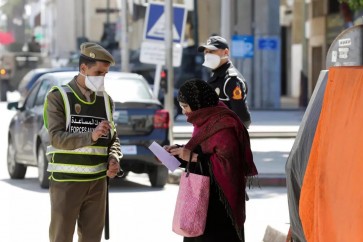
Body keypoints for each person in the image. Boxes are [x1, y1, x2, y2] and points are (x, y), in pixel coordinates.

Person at [44, 42, 123, 242]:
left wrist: (113, 157)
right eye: (98, 72)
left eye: (105, 74)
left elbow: (113, 138)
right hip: (66, 182)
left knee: (91, 239)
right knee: (61, 237)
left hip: (97, 183)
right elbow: (56, 138)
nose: (102, 78)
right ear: (83, 68)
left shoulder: (106, 100)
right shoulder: (58, 97)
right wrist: (91, 136)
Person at [165, 79, 258, 242]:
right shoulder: (204, 120)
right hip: (200, 201)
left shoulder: (224, 123)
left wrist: (192, 157)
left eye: (185, 106)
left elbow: (229, 163)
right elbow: (201, 152)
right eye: (181, 107)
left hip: (220, 206)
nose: (185, 111)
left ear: (198, 103)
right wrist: (177, 152)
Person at [197, 35, 252, 128]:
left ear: (226, 52)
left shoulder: (231, 80)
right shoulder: (215, 76)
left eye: (212, 51)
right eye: (206, 52)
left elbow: (243, 118)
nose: (207, 55)